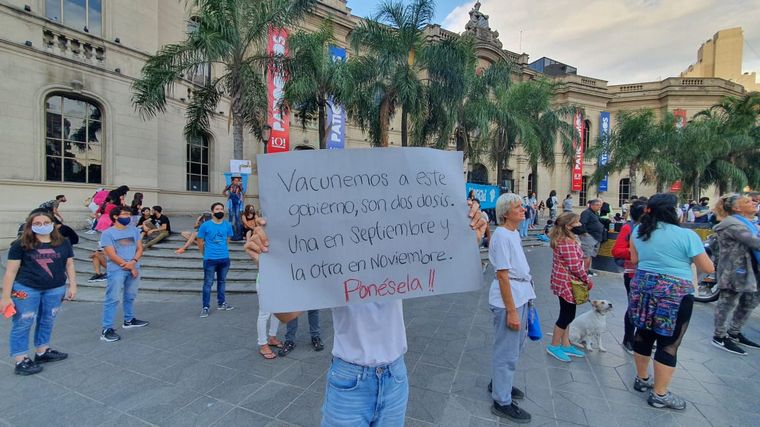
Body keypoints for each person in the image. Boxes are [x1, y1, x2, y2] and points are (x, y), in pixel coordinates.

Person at [243, 201, 488, 426]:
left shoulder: (401, 244)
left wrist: (467, 237)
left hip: (395, 377)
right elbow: (287, 315)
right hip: (349, 379)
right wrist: (268, 266)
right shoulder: (329, 248)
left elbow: (441, 265)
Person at [628, 194, 714, 410]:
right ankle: (660, 394)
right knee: (669, 343)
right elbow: (708, 268)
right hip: (674, 294)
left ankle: (642, 378)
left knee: (643, 333)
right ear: (673, 211)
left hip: (643, 288)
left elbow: (635, 260)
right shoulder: (687, 235)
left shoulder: (638, 231)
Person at [1, 210, 76, 375]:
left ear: (53, 224)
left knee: (47, 320)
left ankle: (42, 351)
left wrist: (73, 285)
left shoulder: (63, 243)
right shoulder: (20, 245)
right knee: (23, 323)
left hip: (55, 288)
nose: (42, 226)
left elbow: (69, 264)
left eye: (46, 223)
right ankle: (21, 360)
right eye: (37, 223)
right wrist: (5, 297)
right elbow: (11, 272)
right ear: (30, 225)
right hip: (27, 289)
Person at [486, 193, 533, 422]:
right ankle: (501, 400)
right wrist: (512, 310)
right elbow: (503, 276)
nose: (523, 209)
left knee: (515, 346)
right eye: (518, 207)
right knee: (507, 350)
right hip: (510, 300)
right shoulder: (502, 236)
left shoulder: (512, 234)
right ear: (506, 213)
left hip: (520, 295)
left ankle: (499, 383)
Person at [711, 194, 760, 355]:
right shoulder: (732, 224)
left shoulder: (750, 224)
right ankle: (719, 336)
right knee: (727, 303)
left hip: (751, 270)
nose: (753, 202)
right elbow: (754, 243)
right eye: (747, 201)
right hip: (734, 271)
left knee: (749, 302)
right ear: (736, 208)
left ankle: (734, 332)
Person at [546, 212, 592, 362]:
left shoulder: (565, 239)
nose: (580, 225)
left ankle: (565, 344)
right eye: (577, 223)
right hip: (567, 283)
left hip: (563, 281)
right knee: (567, 316)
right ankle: (554, 345)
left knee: (566, 314)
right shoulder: (567, 242)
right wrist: (587, 279)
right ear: (568, 226)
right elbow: (575, 267)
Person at [100, 207, 149, 342]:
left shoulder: (134, 230)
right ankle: (107, 328)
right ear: (115, 216)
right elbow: (111, 254)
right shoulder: (108, 233)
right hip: (117, 269)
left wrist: (133, 263)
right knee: (113, 298)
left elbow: (140, 248)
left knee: (130, 295)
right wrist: (128, 265)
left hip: (134, 266)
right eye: (125, 214)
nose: (128, 216)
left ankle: (129, 319)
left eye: (129, 214)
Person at [611, 200, 646, 354]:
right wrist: (638, 252)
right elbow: (617, 251)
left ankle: (642, 338)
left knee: (646, 307)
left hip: (649, 274)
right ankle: (628, 339)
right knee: (634, 306)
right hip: (633, 273)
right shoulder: (628, 227)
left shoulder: (654, 229)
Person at [196, 202, 235, 317]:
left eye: (222, 209)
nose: (220, 211)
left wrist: (223, 249)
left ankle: (221, 303)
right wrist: (204, 253)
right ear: (212, 212)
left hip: (224, 259)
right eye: (217, 209)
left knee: (222, 282)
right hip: (210, 259)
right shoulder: (205, 225)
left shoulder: (227, 225)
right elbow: (199, 241)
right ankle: (205, 307)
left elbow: (228, 239)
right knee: (208, 283)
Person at [580, 199, 604, 277]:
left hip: (596, 237)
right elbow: (582, 223)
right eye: (598, 205)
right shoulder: (586, 213)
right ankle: (584, 271)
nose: (599, 207)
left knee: (590, 255)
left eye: (600, 205)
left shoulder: (595, 213)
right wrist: (585, 233)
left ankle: (587, 269)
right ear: (592, 205)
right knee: (586, 255)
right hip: (589, 237)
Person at [223, 174, 245, 241]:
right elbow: (223, 192)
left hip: (237, 203)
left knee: (237, 217)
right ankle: (230, 232)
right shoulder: (229, 186)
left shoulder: (239, 186)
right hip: (231, 203)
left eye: (238, 180)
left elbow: (243, 193)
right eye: (236, 180)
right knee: (231, 217)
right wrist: (227, 195)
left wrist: (240, 187)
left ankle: (238, 233)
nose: (237, 182)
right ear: (232, 181)